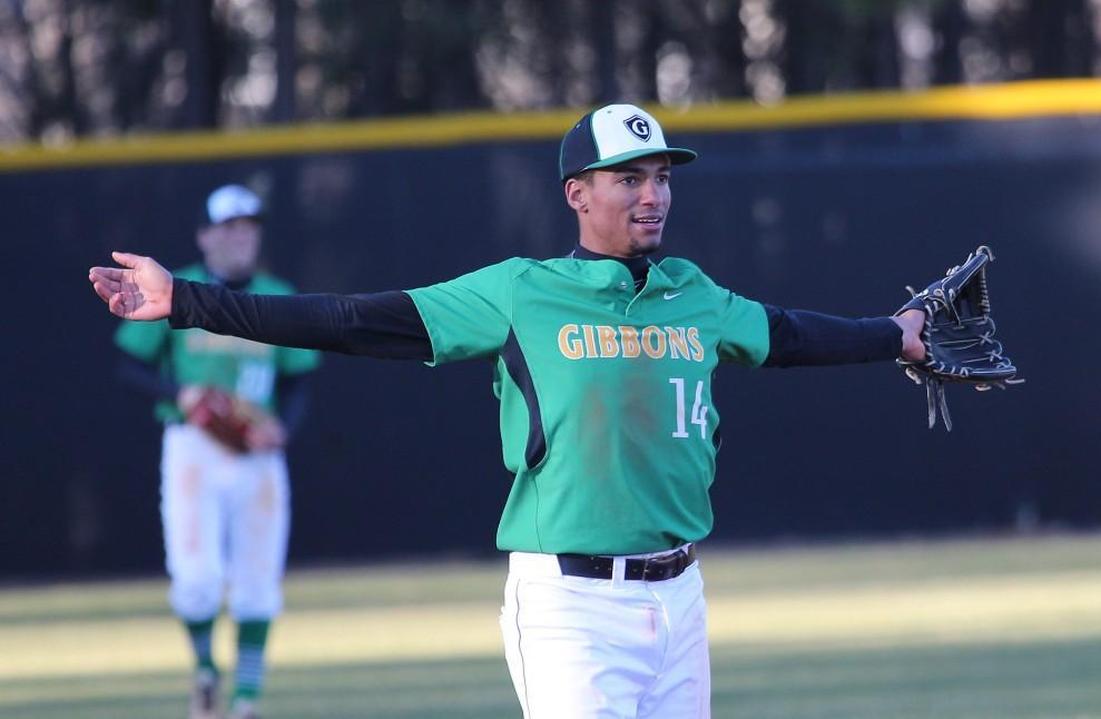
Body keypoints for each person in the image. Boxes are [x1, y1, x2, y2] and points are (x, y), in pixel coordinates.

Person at [91, 105, 925, 719]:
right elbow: (352, 320)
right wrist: (188, 302)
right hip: (570, 604)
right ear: (577, 193)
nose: (653, 195)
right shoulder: (522, 291)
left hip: (680, 597)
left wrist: (897, 335)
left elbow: (788, 334)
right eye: (629, 177)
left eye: (663, 176)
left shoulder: (693, 294)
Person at [111, 184, 320, 719]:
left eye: (248, 228)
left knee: (256, 586)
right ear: (205, 235)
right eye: (228, 227)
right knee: (197, 582)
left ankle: (245, 702)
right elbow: (129, 365)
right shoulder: (176, 290)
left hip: (258, 455)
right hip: (194, 448)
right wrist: (178, 393)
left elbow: (298, 380)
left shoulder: (277, 292)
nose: (239, 238)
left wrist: (284, 429)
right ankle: (206, 669)